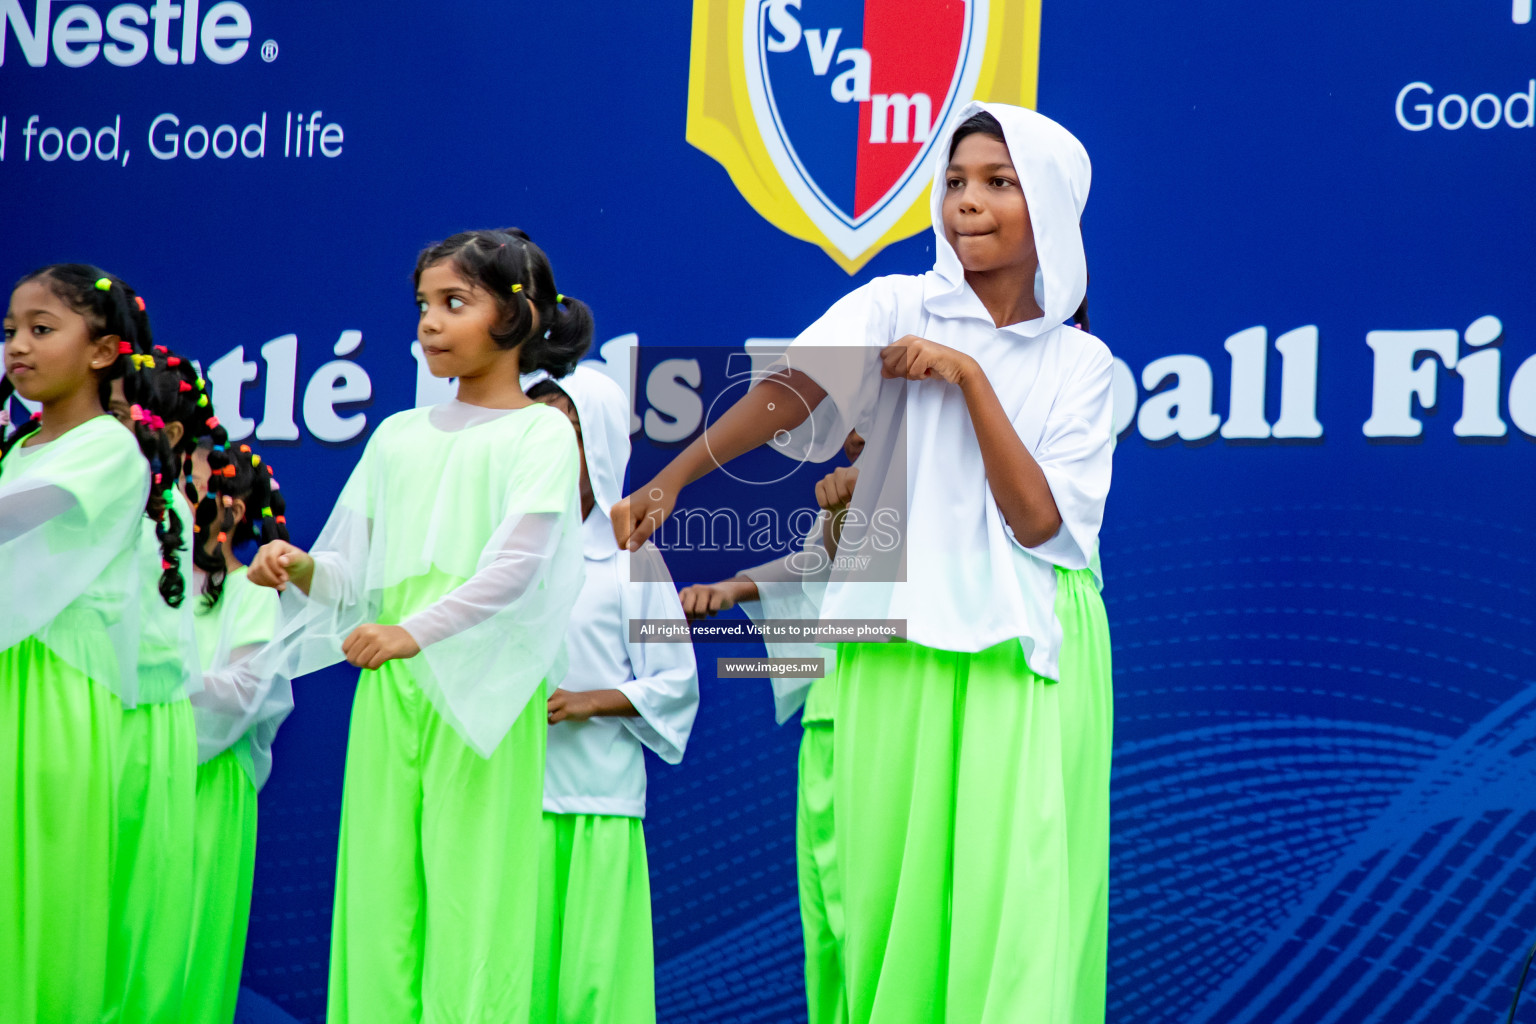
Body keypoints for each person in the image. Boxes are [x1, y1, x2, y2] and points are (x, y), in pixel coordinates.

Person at [613, 103, 1115, 1022]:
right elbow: (791, 388)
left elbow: (1039, 524)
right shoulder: (895, 302)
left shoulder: (1081, 366)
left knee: (1012, 914)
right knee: (884, 907)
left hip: (1021, 649)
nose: (967, 201)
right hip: (890, 647)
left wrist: (966, 377)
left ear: (1047, 205)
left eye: (998, 183)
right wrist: (677, 478)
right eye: (957, 181)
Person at [249, 228, 591, 1022]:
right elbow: (354, 577)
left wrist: (411, 633)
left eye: (454, 303)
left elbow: (518, 566)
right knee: (379, 894)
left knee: (474, 899)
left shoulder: (540, 431)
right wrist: (298, 568)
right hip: (393, 690)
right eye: (424, 306)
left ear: (516, 314)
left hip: (481, 696)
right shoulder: (397, 435)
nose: (429, 323)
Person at [0, 265, 192, 1022]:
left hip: (59, 686)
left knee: (47, 892)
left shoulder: (111, 448)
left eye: (42, 329)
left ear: (105, 350)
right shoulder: (22, 450)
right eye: (11, 329)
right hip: (16, 671)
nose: (18, 345)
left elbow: (16, 516)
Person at [525, 365, 699, 1024]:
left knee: (596, 990)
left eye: (562, 431)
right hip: (510, 798)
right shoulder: (499, 553)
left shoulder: (634, 560)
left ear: (594, 445)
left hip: (599, 800)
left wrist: (586, 701)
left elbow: (675, 680)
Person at [679, 428, 861, 1024]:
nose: (854, 432)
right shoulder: (854, 486)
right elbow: (819, 564)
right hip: (828, 718)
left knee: (873, 914)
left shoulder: (940, 475)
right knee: (829, 919)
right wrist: (733, 586)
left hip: (888, 718)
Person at [181, 440, 293, 1024]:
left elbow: (246, 693)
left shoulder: (252, 593)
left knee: (187, 940)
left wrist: (158, 690)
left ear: (233, 509)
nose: (177, 497)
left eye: (191, 485)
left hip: (208, 789)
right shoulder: (150, 585)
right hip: (136, 773)